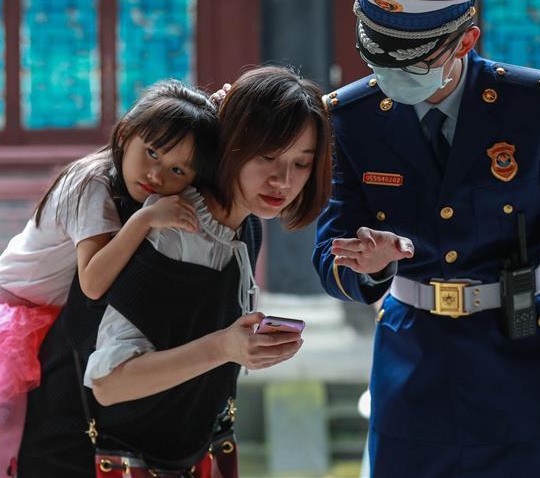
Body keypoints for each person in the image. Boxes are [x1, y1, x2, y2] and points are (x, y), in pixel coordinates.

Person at [313, 0, 540, 477]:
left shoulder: (534, 107)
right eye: (377, 51)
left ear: (465, 40)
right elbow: (330, 242)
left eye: (408, 57)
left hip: (522, 364)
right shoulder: (351, 118)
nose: (389, 71)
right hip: (410, 368)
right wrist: (366, 264)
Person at [17, 66, 333, 477]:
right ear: (230, 143)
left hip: (173, 455)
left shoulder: (247, 224)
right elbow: (110, 383)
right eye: (266, 156)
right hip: (86, 457)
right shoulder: (169, 231)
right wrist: (224, 347)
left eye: (301, 163)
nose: (283, 180)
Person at [0, 82, 220, 478]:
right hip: (13, 313)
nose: (156, 173)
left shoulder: (134, 189)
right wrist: (146, 219)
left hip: (54, 317)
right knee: (1, 423)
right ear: (126, 133)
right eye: (151, 151)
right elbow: (94, 281)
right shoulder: (92, 183)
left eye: (178, 169)